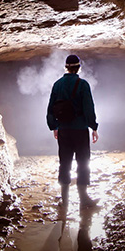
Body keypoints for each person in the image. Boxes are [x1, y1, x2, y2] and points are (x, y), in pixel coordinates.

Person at [46, 54, 99, 209]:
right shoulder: (83, 85)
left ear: (66, 67)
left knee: (65, 162)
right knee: (83, 162)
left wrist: (54, 126)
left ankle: (64, 200)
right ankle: (84, 199)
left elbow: (50, 108)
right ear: (79, 68)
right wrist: (93, 127)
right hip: (80, 129)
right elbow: (89, 108)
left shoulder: (57, 85)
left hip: (64, 130)